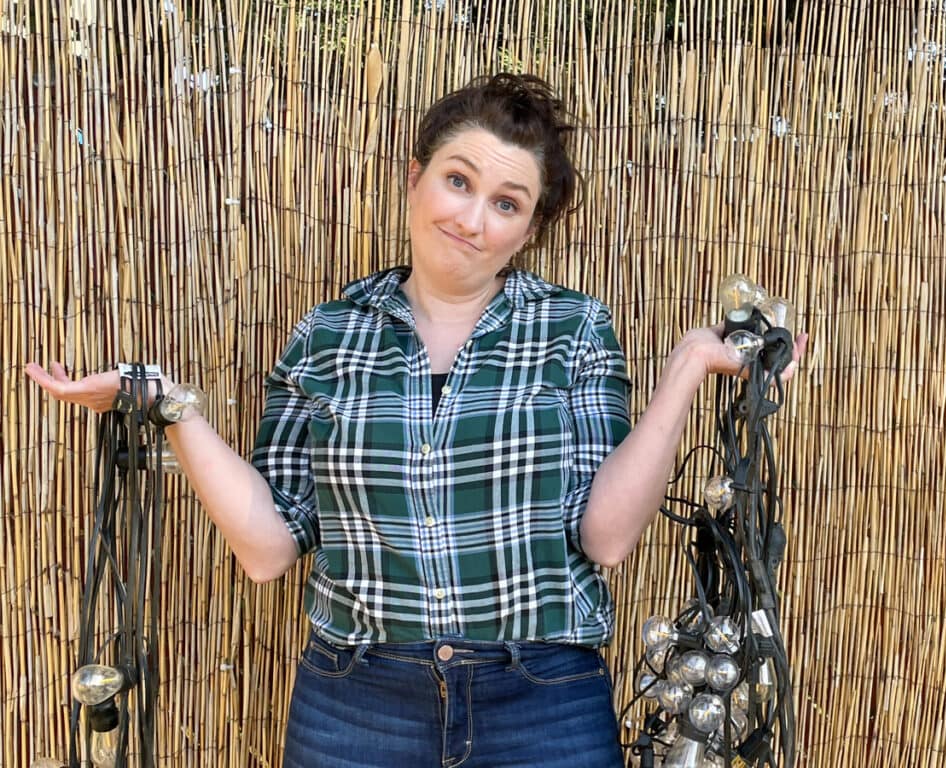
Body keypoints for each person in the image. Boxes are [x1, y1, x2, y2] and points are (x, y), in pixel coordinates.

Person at [26, 73, 806, 768]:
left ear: (529, 230)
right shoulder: (327, 335)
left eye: (507, 204)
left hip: (543, 699)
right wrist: (167, 404)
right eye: (457, 181)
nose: (473, 218)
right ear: (414, 178)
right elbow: (267, 549)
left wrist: (683, 374)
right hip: (357, 702)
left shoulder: (573, 329)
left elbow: (605, 536)